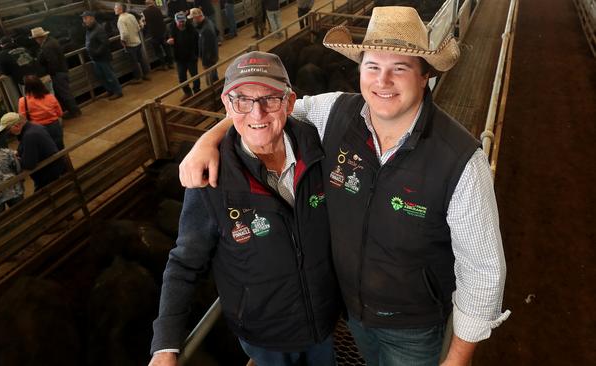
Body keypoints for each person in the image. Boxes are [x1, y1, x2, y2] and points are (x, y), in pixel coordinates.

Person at [178, 6, 510, 366]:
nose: (382, 81)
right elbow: (268, 115)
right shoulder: (334, 113)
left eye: (399, 68)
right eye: (372, 66)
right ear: (360, 69)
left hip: (413, 327)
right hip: (350, 314)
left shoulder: (460, 160)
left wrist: (457, 359)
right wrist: (207, 140)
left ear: (425, 75)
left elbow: (483, 271)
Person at [148, 51, 340, 366]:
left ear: (290, 102)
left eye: (270, 99)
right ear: (227, 105)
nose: (257, 113)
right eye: (243, 101)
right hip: (264, 334)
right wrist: (166, 344)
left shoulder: (320, 148)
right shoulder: (212, 179)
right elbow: (184, 264)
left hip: (323, 318)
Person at [0, 112, 66, 191]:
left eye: (7, 130)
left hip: (47, 175)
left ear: (16, 126)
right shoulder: (34, 127)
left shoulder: (29, 136)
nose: (8, 133)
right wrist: (19, 152)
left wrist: (16, 159)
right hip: (54, 169)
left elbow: (29, 164)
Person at [31, 27, 82, 119]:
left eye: (35, 39)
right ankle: (73, 111)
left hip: (57, 73)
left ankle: (75, 112)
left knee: (64, 93)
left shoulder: (47, 46)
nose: (36, 41)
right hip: (62, 70)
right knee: (65, 92)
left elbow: (52, 62)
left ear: (39, 38)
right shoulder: (52, 41)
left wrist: (50, 73)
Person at [82, 11, 124, 100]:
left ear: (92, 18)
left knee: (109, 75)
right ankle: (110, 90)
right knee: (101, 76)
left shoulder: (99, 29)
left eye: (86, 18)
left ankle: (118, 92)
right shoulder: (89, 29)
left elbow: (105, 43)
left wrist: (97, 52)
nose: (84, 20)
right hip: (95, 58)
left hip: (102, 57)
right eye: (83, 19)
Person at [18, 75, 65, 151]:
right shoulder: (50, 96)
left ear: (26, 87)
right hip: (54, 127)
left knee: (46, 151)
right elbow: (60, 113)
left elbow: (22, 120)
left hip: (38, 130)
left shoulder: (23, 101)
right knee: (60, 149)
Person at [115, 2, 151, 83]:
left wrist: (122, 40)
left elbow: (124, 33)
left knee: (134, 62)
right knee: (141, 59)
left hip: (130, 44)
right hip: (137, 41)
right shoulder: (131, 16)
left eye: (116, 8)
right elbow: (138, 27)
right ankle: (146, 74)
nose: (114, 9)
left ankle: (138, 78)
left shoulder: (120, 20)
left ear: (120, 9)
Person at [167, 12, 199, 100]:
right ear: (176, 21)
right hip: (179, 58)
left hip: (191, 57)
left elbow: (197, 41)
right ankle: (187, 92)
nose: (181, 24)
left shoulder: (191, 28)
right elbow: (167, 38)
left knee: (195, 76)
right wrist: (169, 42)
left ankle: (197, 91)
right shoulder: (171, 28)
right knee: (182, 78)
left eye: (183, 22)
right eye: (179, 22)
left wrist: (196, 54)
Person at [142, 0, 175, 70]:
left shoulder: (144, 12)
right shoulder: (158, 10)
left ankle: (164, 65)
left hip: (153, 34)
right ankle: (171, 63)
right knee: (167, 49)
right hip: (163, 32)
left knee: (158, 51)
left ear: (146, 4)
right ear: (153, 3)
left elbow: (144, 24)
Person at [188, 7, 218, 83]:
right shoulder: (209, 22)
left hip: (209, 58)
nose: (193, 20)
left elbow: (205, 48)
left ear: (198, 17)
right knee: (214, 73)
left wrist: (204, 62)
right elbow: (217, 32)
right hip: (213, 54)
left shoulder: (205, 30)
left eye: (193, 18)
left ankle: (213, 91)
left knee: (210, 79)